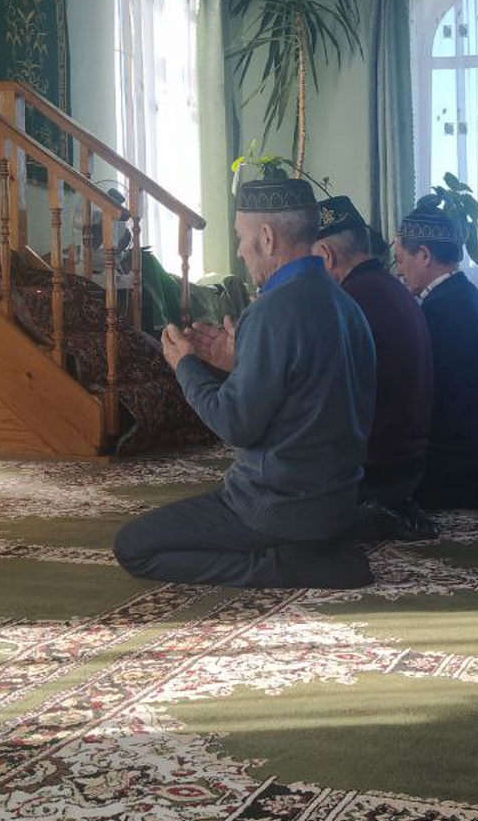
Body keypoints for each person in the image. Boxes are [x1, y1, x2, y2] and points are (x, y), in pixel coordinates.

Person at [113, 177, 376, 588]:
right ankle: (312, 551)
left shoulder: (272, 310)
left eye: (240, 236)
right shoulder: (345, 304)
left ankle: (287, 567)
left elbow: (235, 424)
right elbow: (307, 393)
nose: (239, 250)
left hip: (275, 508)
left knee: (133, 547)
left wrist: (186, 365)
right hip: (337, 504)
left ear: (267, 237)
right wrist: (240, 363)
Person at [312, 195, 437, 540]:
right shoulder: (393, 288)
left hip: (375, 470)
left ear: (326, 256)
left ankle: (367, 513)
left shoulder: (349, 302)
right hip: (410, 466)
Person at [390, 198, 478, 510]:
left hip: (453, 456)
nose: (398, 270)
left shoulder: (441, 311)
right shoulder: (466, 297)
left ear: (424, 255)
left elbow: (426, 398)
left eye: (400, 259)